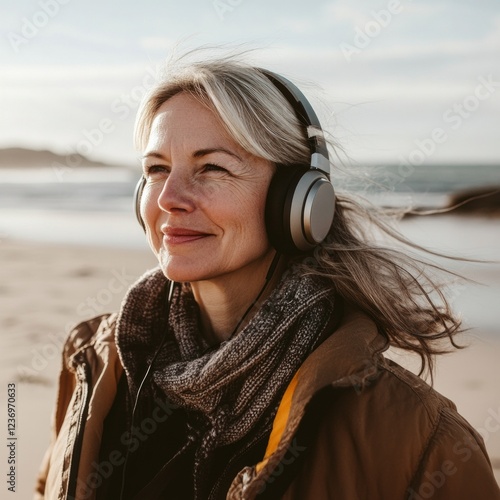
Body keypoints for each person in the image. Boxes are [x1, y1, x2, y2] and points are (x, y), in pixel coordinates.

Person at [35, 53, 500, 500]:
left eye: (212, 167)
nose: (169, 198)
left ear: (299, 202)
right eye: (157, 169)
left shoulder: (419, 441)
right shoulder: (95, 364)